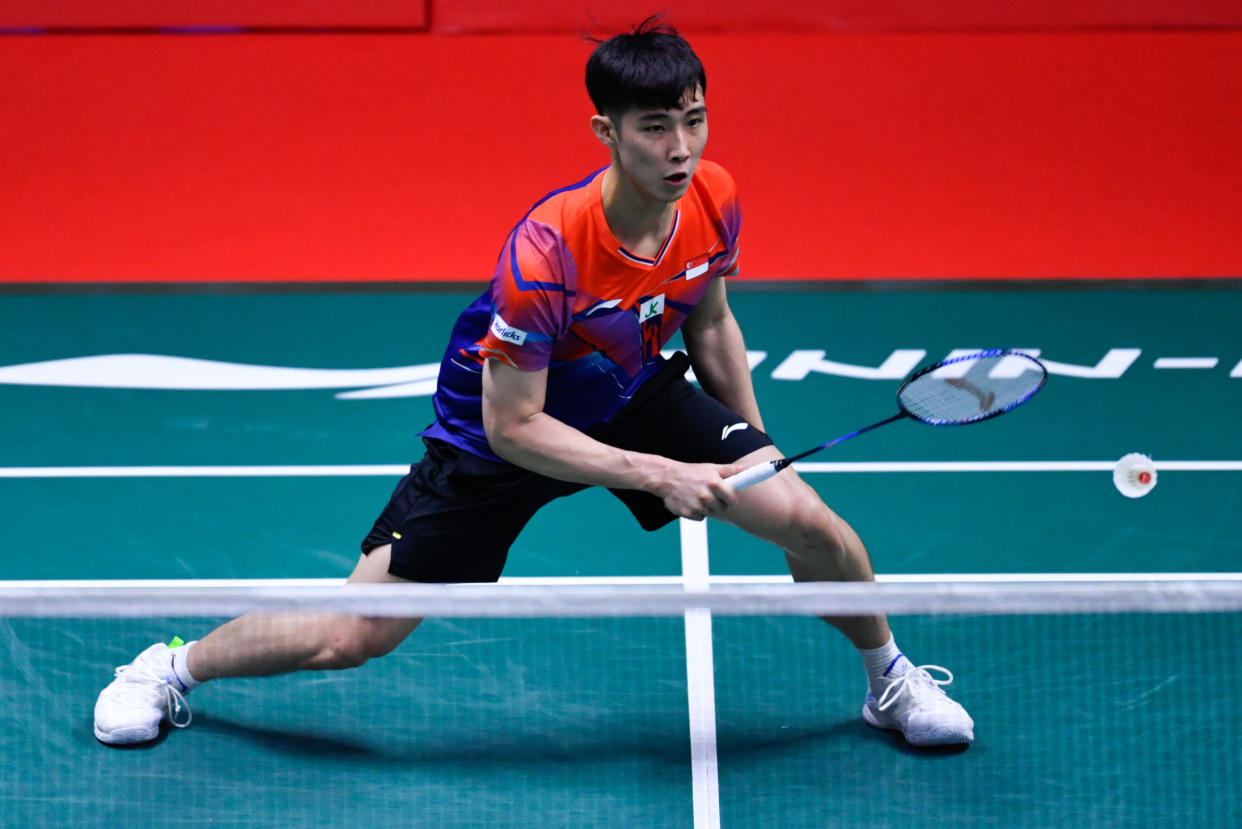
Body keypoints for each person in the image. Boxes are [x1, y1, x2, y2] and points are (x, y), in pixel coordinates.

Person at [94, 18, 973, 748]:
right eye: (654, 128)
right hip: (501, 436)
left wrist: (756, 447)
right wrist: (658, 473)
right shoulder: (547, 251)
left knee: (812, 524)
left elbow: (709, 320)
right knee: (349, 634)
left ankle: (887, 678)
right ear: (607, 133)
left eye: (694, 120)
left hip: (634, 389)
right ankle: (170, 666)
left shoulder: (714, 195)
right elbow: (517, 425)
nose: (680, 148)